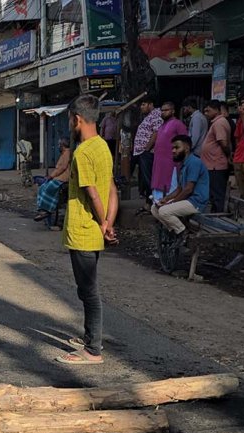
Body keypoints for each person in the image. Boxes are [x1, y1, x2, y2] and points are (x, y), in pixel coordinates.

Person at [56, 95, 117, 366]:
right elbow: (111, 189)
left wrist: (102, 221)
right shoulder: (102, 146)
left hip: (83, 230)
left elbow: (93, 194)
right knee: (86, 289)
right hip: (96, 229)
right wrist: (108, 223)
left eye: (70, 119)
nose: (70, 123)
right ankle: (90, 336)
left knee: (88, 291)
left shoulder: (81, 152)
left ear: (77, 119)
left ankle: (93, 350)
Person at [150, 135, 211, 245]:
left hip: (196, 202)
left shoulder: (194, 162)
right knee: (154, 208)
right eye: (172, 148)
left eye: (177, 148)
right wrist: (166, 199)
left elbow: (188, 189)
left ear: (187, 148)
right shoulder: (183, 164)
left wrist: (172, 202)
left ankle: (183, 232)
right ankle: (174, 231)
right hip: (188, 200)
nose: (173, 151)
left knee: (164, 211)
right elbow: (180, 189)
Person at [151, 101, 187, 201]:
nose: (163, 112)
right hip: (159, 164)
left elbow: (185, 142)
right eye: (162, 110)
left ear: (173, 111)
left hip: (171, 163)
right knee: (157, 187)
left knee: (171, 187)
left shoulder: (177, 124)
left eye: (166, 110)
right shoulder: (161, 126)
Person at [201, 99, 232, 213]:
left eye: (208, 111)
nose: (206, 113)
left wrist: (228, 155)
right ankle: (216, 214)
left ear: (216, 110)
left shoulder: (219, 123)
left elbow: (223, 143)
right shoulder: (216, 123)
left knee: (218, 194)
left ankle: (220, 216)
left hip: (216, 165)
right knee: (214, 193)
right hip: (212, 164)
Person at [34, 137, 70, 229]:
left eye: (59, 145)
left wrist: (51, 176)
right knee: (42, 187)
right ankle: (42, 210)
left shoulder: (67, 153)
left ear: (63, 146)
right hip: (58, 178)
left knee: (48, 187)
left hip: (63, 179)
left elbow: (62, 168)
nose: (58, 146)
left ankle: (47, 210)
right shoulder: (63, 154)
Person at [132, 98, 162, 200]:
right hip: (142, 152)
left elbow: (156, 132)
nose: (141, 107)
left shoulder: (156, 114)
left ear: (151, 104)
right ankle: (148, 202)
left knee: (148, 178)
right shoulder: (148, 116)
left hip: (148, 152)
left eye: (143, 104)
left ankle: (153, 202)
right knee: (145, 178)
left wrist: (147, 148)